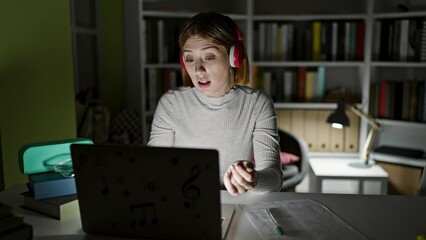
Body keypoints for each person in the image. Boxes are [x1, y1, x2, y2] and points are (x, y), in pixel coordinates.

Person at [148, 12, 283, 196]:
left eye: (209, 57)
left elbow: (274, 179)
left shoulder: (257, 103)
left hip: (236, 206)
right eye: (189, 59)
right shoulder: (171, 104)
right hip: (185, 204)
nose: (197, 69)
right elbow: (152, 169)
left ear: (233, 58)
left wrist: (255, 179)